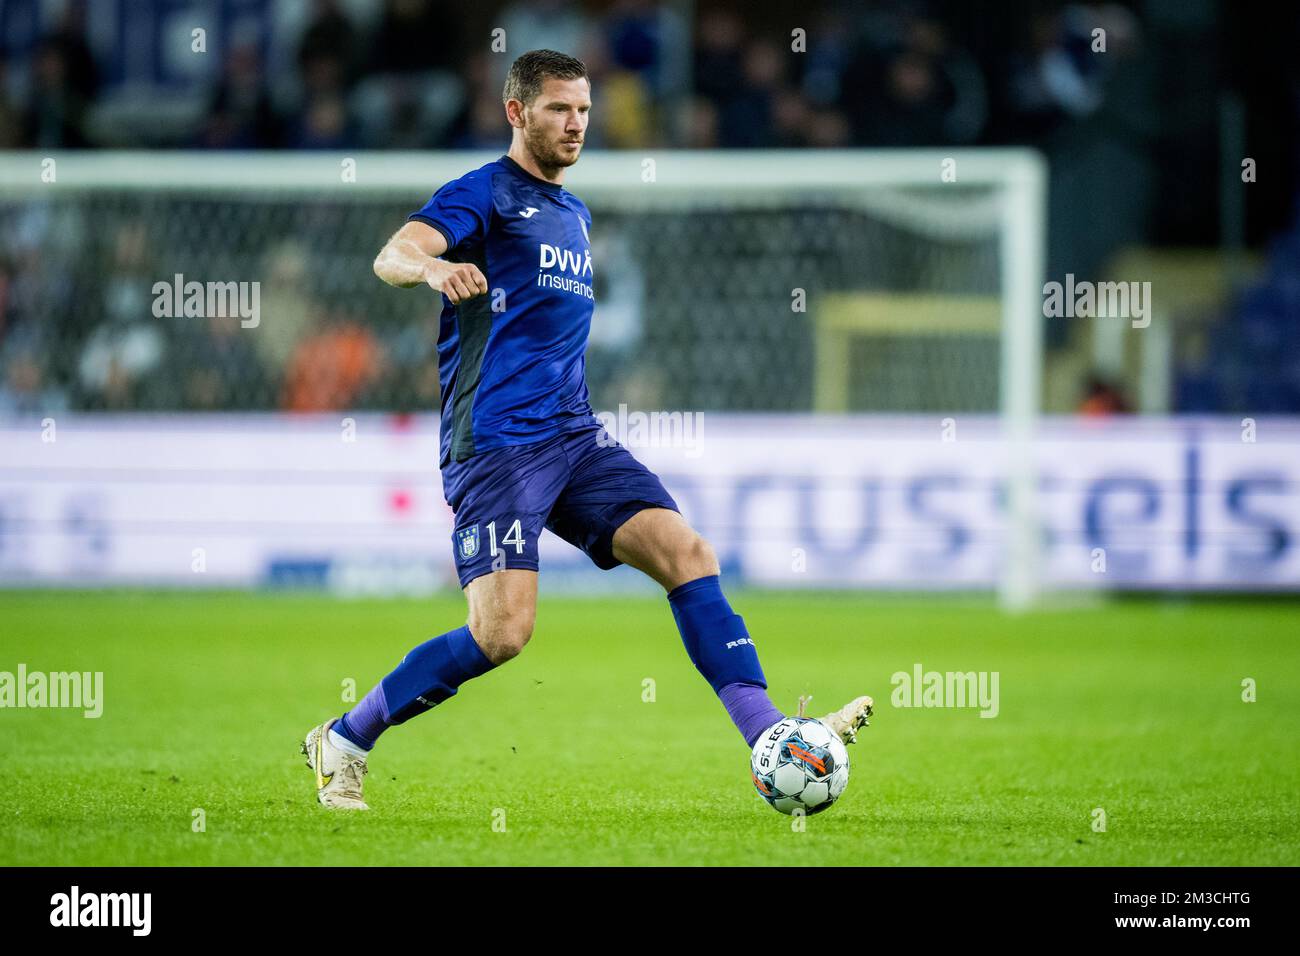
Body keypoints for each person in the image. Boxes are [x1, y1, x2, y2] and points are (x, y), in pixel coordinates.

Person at [301, 49, 873, 810]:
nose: (575, 125)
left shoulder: (574, 213)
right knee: (502, 635)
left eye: (583, 112)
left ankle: (773, 736)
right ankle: (344, 738)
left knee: (686, 553)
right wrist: (433, 270)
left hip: (575, 437)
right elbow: (393, 253)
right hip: (499, 445)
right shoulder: (484, 194)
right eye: (558, 110)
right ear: (516, 112)